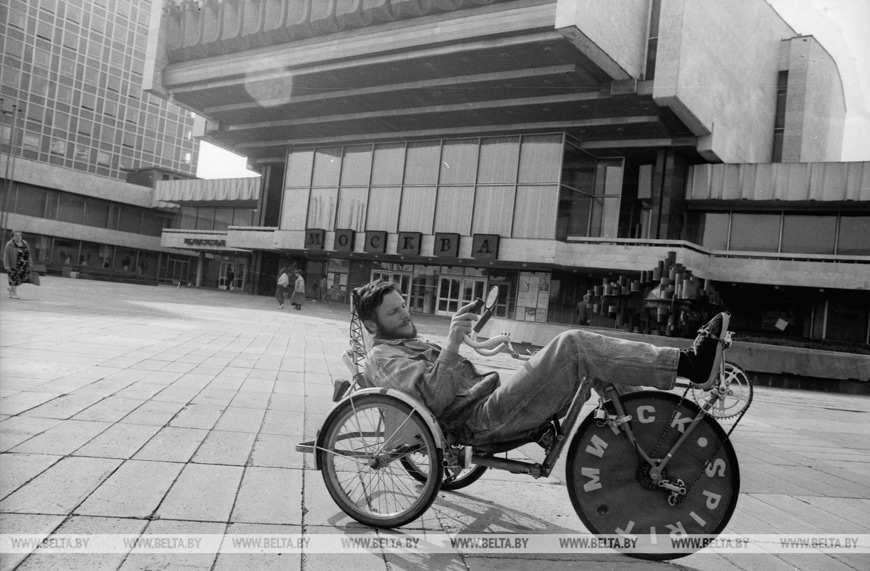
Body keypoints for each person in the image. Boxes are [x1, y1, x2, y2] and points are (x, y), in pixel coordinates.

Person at [355, 280, 726, 448]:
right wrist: (451, 342)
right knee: (575, 346)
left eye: (404, 305)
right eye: (394, 311)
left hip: (492, 400)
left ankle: (648, 440)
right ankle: (691, 366)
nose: (405, 314)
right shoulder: (384, 356)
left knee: (585, 357)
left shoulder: (406, 342)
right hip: (479, 420)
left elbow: (454, 373)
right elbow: (431, 404)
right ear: (373, 324)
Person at [3, 230, 32, 300]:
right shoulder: (9, 244)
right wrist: (7, 265)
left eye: (19, 235)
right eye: (16, 235)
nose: (18, 237)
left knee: (22, 278)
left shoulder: (25, 243)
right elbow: (6, 256)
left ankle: (10, 288)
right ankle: (13, 293)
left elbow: (29, 254)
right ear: (12, 236)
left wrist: (30, 263)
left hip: (24, 265)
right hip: (14, 264)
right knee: (14, 279)